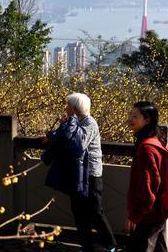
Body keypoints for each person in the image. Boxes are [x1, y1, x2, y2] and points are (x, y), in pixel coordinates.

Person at [42, 93, 116, 252]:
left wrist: (69, 123)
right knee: (79, 212)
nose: (65, 108)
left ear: (75, 109)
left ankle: (110, 245)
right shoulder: (72, 122)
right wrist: (51, 135)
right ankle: (86, 246)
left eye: (68, 105)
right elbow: (63, 137)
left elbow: (78, 144)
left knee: (96, 211)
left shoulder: (90, 123)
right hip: (76, 174)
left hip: (91, 174)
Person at [126, 101, 168, 252]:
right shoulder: (156, 141)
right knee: (159, 247)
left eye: (135, 116)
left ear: (147, 120)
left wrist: (135, 215)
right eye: (130, 115)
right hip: (158, 210)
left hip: (149, 213)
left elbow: (148, 186)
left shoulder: (146, 148)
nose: (130, 119)